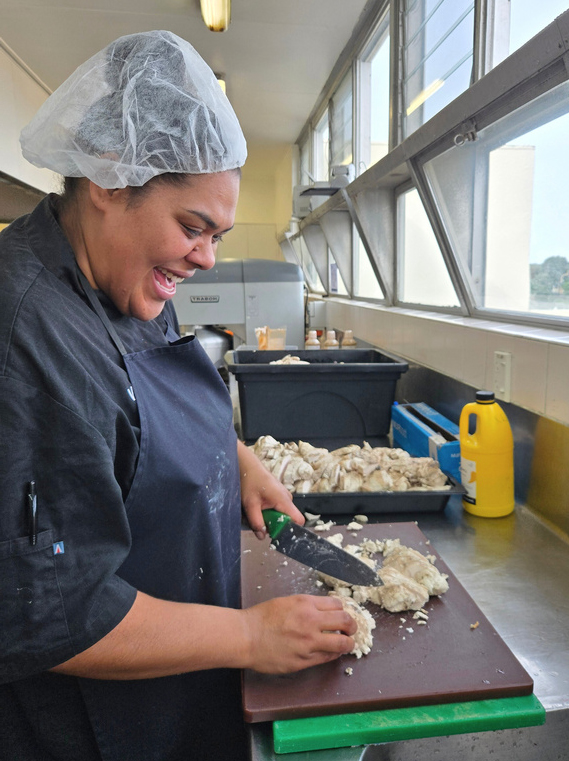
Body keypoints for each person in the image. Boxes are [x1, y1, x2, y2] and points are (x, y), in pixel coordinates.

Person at [0, 31, 356, 761]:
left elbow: (140, 411)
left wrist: (232, 460)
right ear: (108, 179)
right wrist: (251, 635)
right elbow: (54, 613)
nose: (206, 258)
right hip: (93, 726)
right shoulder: (26, 337)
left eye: (218, 235)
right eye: (193, 227)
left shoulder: (124, 275)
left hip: (179, 682)